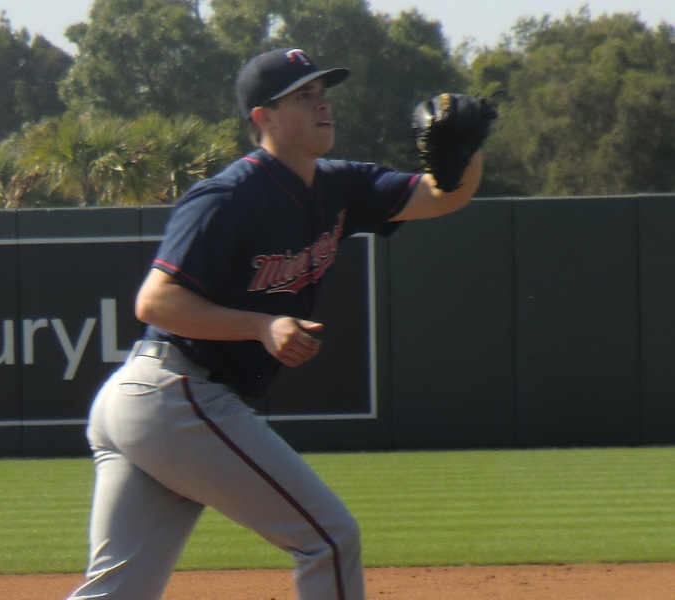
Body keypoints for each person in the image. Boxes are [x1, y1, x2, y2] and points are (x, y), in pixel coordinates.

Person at [66, 48, 483, 600]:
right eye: (303, 96)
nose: (323, 104)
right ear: (263, 117)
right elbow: (155, 303)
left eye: (323, 93)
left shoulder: (341, 186)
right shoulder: (228, 196)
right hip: (175, 394)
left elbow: (442, 197)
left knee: (118, 593)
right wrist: (261, 327)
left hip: (151, 402)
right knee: (329, 540)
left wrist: (468, 149)